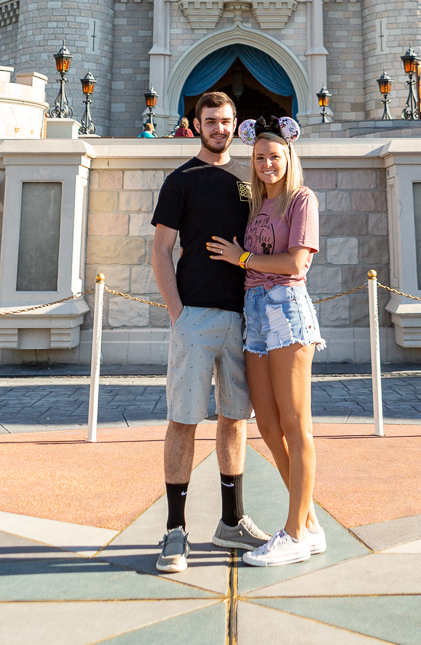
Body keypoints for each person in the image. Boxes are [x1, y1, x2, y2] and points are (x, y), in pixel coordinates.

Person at [149, 90, 269, 573]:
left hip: (243, 317)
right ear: (195, 124)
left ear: (236, 123)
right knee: (183, 419)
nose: (219, 128)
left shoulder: (249, 179)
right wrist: (178, 312)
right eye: (211, 120)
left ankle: (231, 521)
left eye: (226, 120)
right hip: (195, 315)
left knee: (235, 419)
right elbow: (160, 250)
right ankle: (176, 530)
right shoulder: (180, 181)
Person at [208, 115, 326, 568]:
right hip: (253, 312)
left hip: (286, 308)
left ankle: (295, 530)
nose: (266, 164)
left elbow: (296, 262)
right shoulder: (258, 203)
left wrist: (242, 257)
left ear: (288, 157)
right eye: (259, 158)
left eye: (274, 156)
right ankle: (309, 521)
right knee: (269, 425)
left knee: (296, 424)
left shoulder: (301, 199)